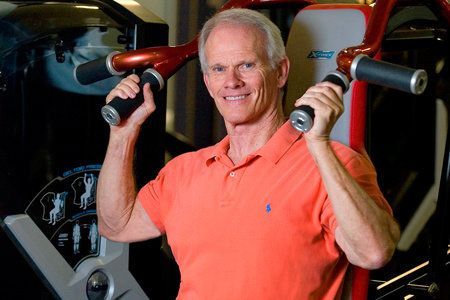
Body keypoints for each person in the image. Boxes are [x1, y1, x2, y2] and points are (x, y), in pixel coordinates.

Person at [96, 8, 400, 299]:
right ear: (207, 82)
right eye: (218, 68)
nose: (232, 81)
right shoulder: (184, 171)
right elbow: (116, 225)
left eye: (247, 65)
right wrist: (121, 135)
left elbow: (374, 252)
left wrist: (318, 143)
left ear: (280, 72)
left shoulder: (332, 163)